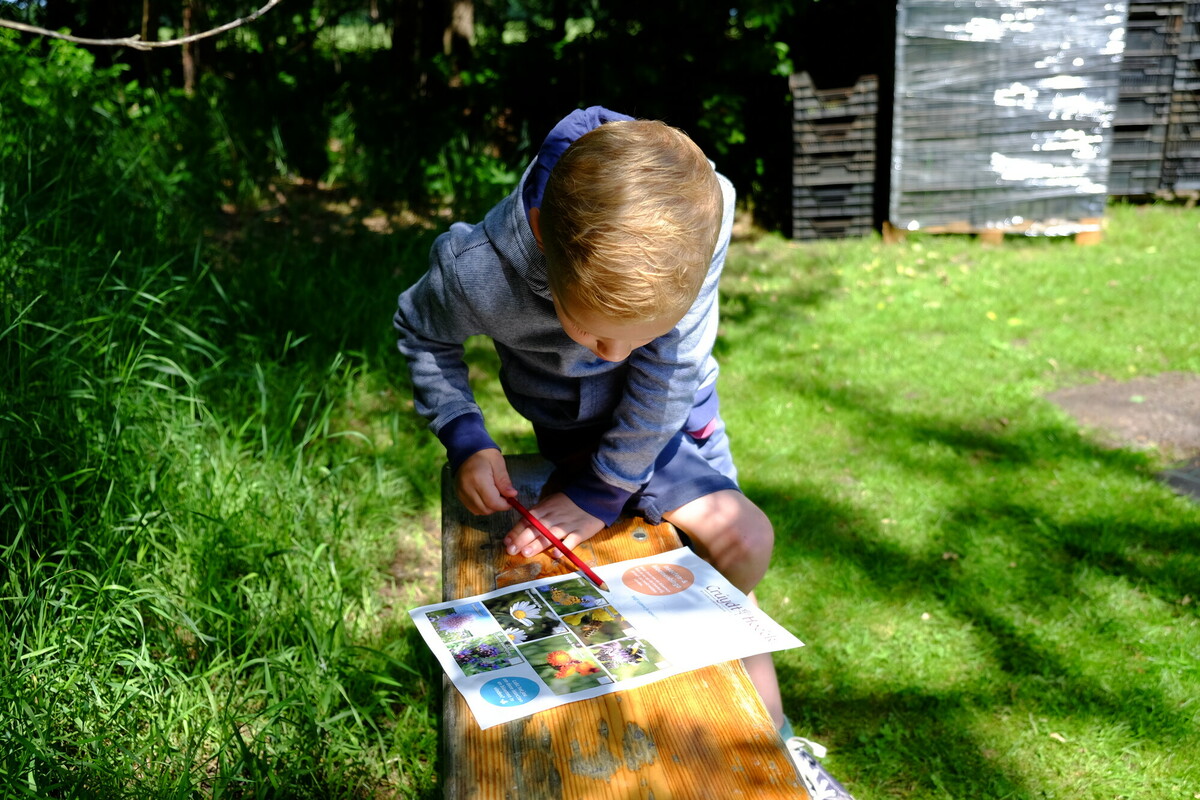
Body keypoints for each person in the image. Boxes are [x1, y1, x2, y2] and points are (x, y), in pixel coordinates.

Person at [393, 106, 853, 799]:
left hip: (671, 421)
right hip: (570, 431)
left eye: (641, 334)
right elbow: (421, 330)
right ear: (546, 241)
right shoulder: (477, 274)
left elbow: (666, 376)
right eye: (597, 335)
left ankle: (779, 749)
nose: (616, 357)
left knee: (740, 551)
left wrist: (600, 493)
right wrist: (464, 433)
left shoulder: (698, 222)